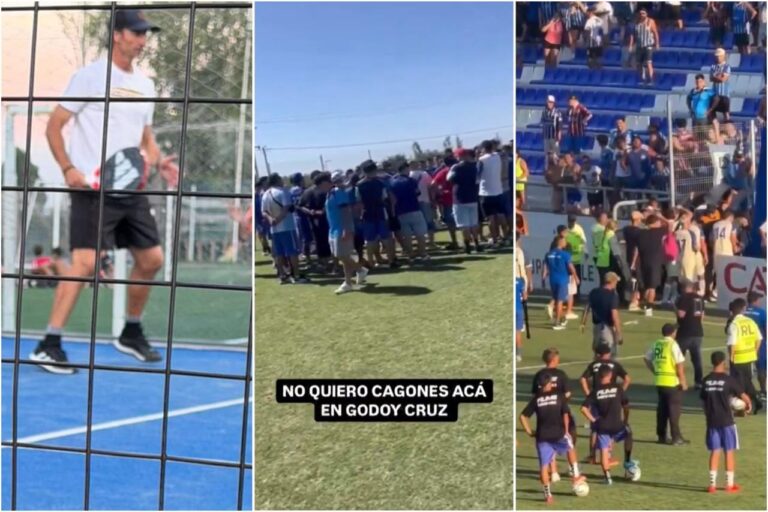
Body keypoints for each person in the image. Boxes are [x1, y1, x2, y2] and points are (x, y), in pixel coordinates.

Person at [31, 9, 179, 373]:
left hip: (130, 189)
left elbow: (144, 136)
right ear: (117, 34)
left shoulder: (146, 85)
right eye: (137, 33)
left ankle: (131, 332)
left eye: (145, 34)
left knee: (152, 260)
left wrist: (159, 161)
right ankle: (49, 344)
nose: (143, 40)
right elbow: (54, 126)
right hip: (92, 189)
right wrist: (69, 169)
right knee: (84, 264)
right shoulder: (90, 77)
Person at [520, 372, 587, 504]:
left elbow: (522, 416)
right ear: (549, 383)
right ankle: (575, 476)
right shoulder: (558, 395)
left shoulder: (536, 399)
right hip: (558, 434)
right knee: (570, 448)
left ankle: (548, 495)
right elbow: (565, 414)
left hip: (542, 437)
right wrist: (566, 431)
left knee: (544, 467)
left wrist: (529, 432)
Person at [700, 350, 752, 493]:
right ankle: (729, 485)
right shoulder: (728, 380)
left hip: (712, 421)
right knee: (729, 451)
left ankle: (712, 485)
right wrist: (747, 406)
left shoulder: (706, 380)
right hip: (727, 422)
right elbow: (744, 396)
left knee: (715, 451)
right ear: (723, 362)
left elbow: (703, 403)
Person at [580, 364, 638, 485]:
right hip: (617, 424)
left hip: (602, 426)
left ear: (598, 376)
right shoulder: (618, 388)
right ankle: (627, 461)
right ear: (610, 375)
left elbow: (583, 409)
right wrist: (625, 420)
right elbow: (626, 406)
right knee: (629, 435)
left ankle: (608, 478)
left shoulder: (595, 391)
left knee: (604, 451)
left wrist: (594, 420)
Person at [579, 343, 631, 464]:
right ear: (609, 353)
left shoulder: (594, 365)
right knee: (611, 426)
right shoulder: (615, 365)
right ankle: (607, 455)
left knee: (595, 428)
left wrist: (588, 394)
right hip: (612, 399)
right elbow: (627, 379)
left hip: (597, 398)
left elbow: (582, 379)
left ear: (597, 354)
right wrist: (620, 393)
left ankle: (592, 456)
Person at [644, 323, 689, 445]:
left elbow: (646, 358)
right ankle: (676, 438)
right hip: (672, 382)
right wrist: (683, 381)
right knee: (674, 411)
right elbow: (679, 365)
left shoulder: (657, 343)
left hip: (660, 381)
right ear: (673, 332)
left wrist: (655, 370)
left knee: (662, 410)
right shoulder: (673, 344)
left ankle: (661, 436)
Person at [262, 173, 310, 285]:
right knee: (292, 252)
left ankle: (282, 275)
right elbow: (286, 208)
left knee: (279, 253)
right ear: (277, 180)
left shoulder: (265, 194)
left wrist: (271, 219)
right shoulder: (283, 192)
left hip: (274, 229)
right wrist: (277, 219)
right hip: (287, 227)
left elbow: (264, 211)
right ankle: (296, 275)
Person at [326, 171, 368, 294]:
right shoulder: (332, 193)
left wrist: (345, 229)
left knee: (342, 255)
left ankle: (359, 271)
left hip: (342, 229)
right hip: (334, 229)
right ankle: (349, 281)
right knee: (343, 257)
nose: (339, 183)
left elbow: (346, 212)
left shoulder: (340, 193)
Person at [355, 160, 398, 267]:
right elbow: (385, 197)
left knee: (370, 240)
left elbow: (358, 202)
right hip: (380, 212)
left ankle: (371, 262)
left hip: (366, 214)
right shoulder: (380, 183)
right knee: (386, 237)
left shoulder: (359, 185)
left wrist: (359, 215)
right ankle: (391, 261)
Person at [726, 298, 763, 414]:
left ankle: (745, 407)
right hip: (750, 357)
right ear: (743, 309)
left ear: (732, 311)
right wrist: (754, 352)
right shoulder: (750, 321)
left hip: (738, 358)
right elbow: (759, 339)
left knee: (739, 384)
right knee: (747, 381)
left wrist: (731, 358)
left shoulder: (734, 324)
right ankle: (756, 401)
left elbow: (732, 344)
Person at [391, 162, 429, 261]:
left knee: (406, 235)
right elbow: (417, 193)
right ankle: (423, 253)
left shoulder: (393, 182)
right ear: (406, 169)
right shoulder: (411, 180)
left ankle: (411, 255)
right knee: (420, 233)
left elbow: (393, 199)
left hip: (401, 212)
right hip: (414, 209)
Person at [448, 149, 483, 254]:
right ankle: (477, 243)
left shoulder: (456, 167)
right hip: (473, 197)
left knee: (464, 224)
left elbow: (449, 178)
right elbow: (478, 180)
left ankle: (467, 245)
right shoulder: (475, 167)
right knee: (473, 223)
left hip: (460, 198)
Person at [581, 272, 623, 356]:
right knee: (609, 355)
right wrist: (619, 333)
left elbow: (586, 308)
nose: (616, 283)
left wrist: (583, 323)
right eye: (616, 281)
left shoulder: (594, 292)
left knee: (597, 353)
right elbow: (614, 315)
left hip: (596, 327)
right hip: (608, 329)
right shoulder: (613, 295)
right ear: (612, 281)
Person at [543, 236, 580, 330]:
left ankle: (559, 318)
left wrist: (543, 279)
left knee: (556, 300)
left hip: (552, 279)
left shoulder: (548, 254)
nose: (565, 243)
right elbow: (571, 267)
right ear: (560, 242)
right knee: (560, 301)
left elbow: (545, 268)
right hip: (562, 280)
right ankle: (557, 322)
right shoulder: (565, 254)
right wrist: (576, 277)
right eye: (564, 241)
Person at [676, 279, 706, 389]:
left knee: (679, 358)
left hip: (685, 332)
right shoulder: (700, 298)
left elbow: (681, 314)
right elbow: (702, 315)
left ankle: (679, 380)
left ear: (684, 288)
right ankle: (698, 382)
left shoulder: (684, 298)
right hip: (698, 332)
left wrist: (675, 310)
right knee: (697, 359)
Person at [477, 140, 507, 247]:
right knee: (501, 215)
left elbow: (477, 177)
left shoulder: (481, 160)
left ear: (484, 148)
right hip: (498, 190)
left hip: (486, 192)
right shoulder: (497, 156)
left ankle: (494, 239)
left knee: (490, 218)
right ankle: (505, 236)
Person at [430, 156, 459, 250]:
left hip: (448, 199)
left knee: (451, 223)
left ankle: (454, 241)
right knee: (464, 221)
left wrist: (439, 193)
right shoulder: (459, 169)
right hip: (460, 198)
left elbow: (433, 184)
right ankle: (470, 239)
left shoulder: (443, 172)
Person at [628, 9, 661, 86]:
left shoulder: (650, 21)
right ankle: (643, 79)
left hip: (648, 45)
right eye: (640, 13)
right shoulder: (636, 23)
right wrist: (631, 45)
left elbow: (655, 32)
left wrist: (657, 43)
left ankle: (651, 79)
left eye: (643, 13)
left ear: (646, 14)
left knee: (649, 62)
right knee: (639, 64)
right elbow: (632, 35)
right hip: (639, 45)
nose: (641, 15)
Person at [744, 292, 767, 401]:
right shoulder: (762, 312)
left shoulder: (743, 311)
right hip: (759, 345)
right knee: (761, 369)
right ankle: (763, 391)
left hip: (744, 344)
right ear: (756, 300)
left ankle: (745, 391)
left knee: (745, 369)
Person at [687, 74, 715, 141]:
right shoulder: (693, 91)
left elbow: (716, 99)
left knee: (706, 134)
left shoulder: (708, 90)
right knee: (696, 136)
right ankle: (698, 146)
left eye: (700, 82)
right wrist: (690, 108)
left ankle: (710, 145)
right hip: (695, 117)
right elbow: (688, 98)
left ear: (703, 82)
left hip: (704, 117)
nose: (698, 83)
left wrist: (711, 109)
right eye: (697, 82)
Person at [565, 214, 587, 299]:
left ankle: (577, 295)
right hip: (568, 258)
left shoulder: (578, 229)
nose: (571, 223)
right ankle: (570, 295)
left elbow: (583, 241)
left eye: (573, 221)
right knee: (568, 277)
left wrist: (585, 251)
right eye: (570, 221)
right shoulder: (566, 229)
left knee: (577, 277)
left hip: (576, 258)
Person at [709, 48, 732, 124]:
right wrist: (719, 76)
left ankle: (727, 127)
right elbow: (711, 78)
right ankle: (716, 126)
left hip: (724, 94)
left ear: (723, 56)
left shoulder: (727, 66)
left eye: (719, 56)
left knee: (726, 113)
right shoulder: (713, 66)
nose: (717, 58)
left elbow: (723, 79)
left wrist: (716, 76)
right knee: (712, 111)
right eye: (717, 56)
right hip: (715, 94)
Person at [592, 211, 612, 285]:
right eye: (605, 218)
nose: (607, 220)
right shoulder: (598, 228)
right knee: (604, 277)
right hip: (600, 256)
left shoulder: (602, 228)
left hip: (602, 255)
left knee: (605, 276)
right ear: (599, 219)